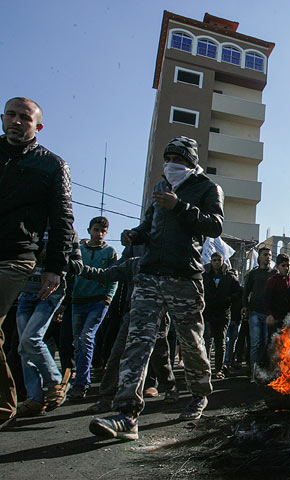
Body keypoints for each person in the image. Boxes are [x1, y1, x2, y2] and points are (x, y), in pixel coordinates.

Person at [90, 136, 224, 440]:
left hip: (184, 276)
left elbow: (215, 226)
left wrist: (180, 207)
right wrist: (133, 235)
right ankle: (127, 414)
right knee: (137, 341)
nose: (171, 165)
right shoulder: (160, 188)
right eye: (168, 160)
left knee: (191, 341)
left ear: (190, 163)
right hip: (150, 276)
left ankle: (199, 392)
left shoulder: (207, 188)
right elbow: (149, 225)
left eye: (178, 160)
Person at [0, 97, 74, 422]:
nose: (16, 122)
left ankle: (42, 388)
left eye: (24, 118)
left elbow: (63, 220)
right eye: (11, 115)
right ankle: (22, 397)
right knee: (16, 342)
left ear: (37, 126)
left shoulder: (52, 165)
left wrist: (56, 268)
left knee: (30, 338)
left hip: (20, 259)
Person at [83, 253, 178, 414]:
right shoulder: (133, 264)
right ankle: (106, 397)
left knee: (159, 355)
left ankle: (170, 386)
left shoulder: (166, 264)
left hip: (158, 317)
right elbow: (107, 274)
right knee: (117, 353)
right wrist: (81, 269)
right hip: (132, 316)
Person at [14, 232, 83, 416]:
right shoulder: (29, 227)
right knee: (23, 348)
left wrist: (54, 258)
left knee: (31, 339)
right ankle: (35, 398)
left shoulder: (66, 230)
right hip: (26, 292)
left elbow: (78, 265)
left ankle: (55, 381)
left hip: (51, 292)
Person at [69, 216, 118, 400]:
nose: (99, 234)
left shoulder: (110, 252)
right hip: (78, 299)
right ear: (89, 230)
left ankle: (81, 383)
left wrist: (108, 298)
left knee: (86, 337)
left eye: (103, 231)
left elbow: (113, 276)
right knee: (77, 340)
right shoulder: (79, 250)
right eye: (96, 230)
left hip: (98, 300)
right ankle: (81, 377)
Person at [202, 252, 242, 379]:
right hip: (208, 313)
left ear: (223, 261)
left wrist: (228, 299)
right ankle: (205, 369)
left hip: (223, 314)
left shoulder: (229, 277)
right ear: (211, 261)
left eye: (219, 260)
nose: (217, 263)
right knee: (206, 342)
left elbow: (239, 292)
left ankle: (218, 369)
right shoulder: (205, 276)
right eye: (214, 260)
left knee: (220, 342)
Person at [242, 247, 276, 380]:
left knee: (267, 343)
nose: (268, 257)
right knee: (255, 343)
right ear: (259, 257)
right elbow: (246, 291)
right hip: (255, 312)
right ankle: (254, 373)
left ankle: (265, 372)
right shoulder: (253, 274)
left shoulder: (274, 274)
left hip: (269, 314)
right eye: (265, 254)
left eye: (270, 255)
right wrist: (245, 306)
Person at [264, 253, 290, 333]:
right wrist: (269, 314)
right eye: (283, 265)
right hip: (275, 318)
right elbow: (266, 299)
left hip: (289, 319)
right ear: (278, 266)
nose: (286, 268)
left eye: (288, 265)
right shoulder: (272, 281)